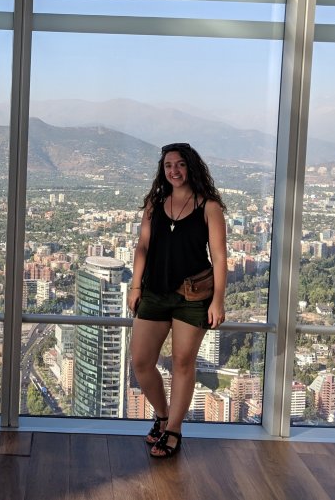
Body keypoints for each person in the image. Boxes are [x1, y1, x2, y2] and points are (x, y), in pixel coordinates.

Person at [127, 142, 227, 459]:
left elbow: (220, 257)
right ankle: (162, 415)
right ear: (163, 170)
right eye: (169, 165)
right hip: (154, 291)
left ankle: (173, 430)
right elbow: (142, 246)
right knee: (141, 361)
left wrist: (218, 301)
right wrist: (135, 286)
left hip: (193, 295)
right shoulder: (155, 203)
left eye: (180, 164)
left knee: (183, 363)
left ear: (191, 167)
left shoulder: (209, 206)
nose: (174, 170)